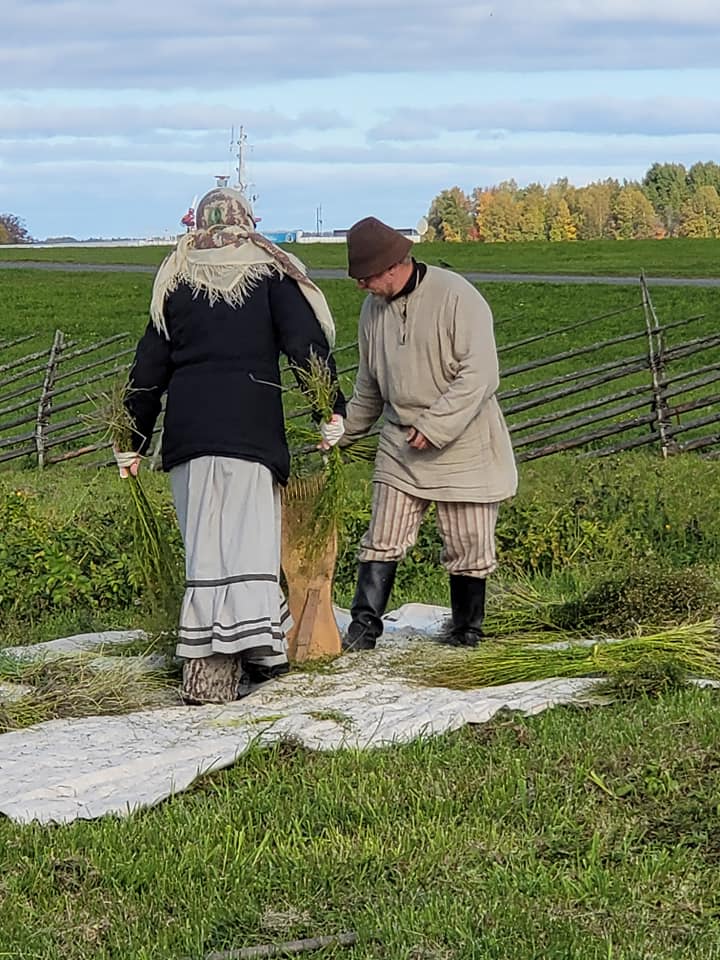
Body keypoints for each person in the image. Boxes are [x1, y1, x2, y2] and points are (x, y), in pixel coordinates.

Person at [114, 187, 346, 703]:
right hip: (250, 431)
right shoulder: (270, 274)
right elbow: (305, 347)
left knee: (206, 548)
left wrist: (130, 437)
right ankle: (249, 655)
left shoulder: (176, 278)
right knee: (249, 544)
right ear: (247, 221)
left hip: (191, 435)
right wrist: (329, 409)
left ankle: (218, 661)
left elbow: (149, 367)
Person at [322, 216, 517, 652]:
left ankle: (465, 633)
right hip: (400, 443)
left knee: (469, 543)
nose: (362, 286)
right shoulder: (373, 311)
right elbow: (369, 388)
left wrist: (435, 426)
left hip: (464, 442)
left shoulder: (457, 298)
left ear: (393, 265)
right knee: (382, 536)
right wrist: (340, 434)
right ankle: (363, 631)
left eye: (367, 277)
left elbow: (480, 374)